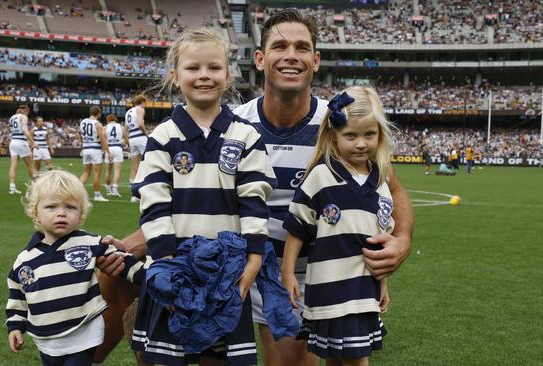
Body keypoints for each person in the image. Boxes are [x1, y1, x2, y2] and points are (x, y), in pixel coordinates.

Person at [97, 9, 413, 365]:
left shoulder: (338, 125)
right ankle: (84, 356)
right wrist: (133, 246)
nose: (291, 55)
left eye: (302, 47)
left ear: (316, 60)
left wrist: (401, 242)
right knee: (113, 272)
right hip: (231, 256)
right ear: (260, 59)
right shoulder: (233, 124)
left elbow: (394, 189)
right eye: (280, 46)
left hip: (304, 273)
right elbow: (195, 199)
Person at [129, 28, 276, 365]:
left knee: (219, 360)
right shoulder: (163, 136)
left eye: (213, 67)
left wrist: (252, 261)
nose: (204, 76)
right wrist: (166, 267)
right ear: (175, 77)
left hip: (227, 273)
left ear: (227, 76)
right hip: (174, 267)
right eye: (193, 68)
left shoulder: (247, 136)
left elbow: (254, 202)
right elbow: (153, 203)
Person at [281, 86, 391, 364]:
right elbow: (297, 228)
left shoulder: (381, 184)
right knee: (345, 358)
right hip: (328, 288)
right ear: (334, 136)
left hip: (363, 290)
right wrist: (288, 272)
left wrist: (384, 284)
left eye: (369, 134)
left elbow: (381, 244)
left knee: (349, 357)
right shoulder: (321, 175)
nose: (361, 143)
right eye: (350, 135)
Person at [5, 169, 144, 366]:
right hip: (45, 339)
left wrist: (150, 277)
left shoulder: (89, 243)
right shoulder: (25, 260)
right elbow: (17, 295)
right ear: (35, 214)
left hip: (83, 334)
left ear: (81, 215)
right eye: (51, 207)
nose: (61, 212)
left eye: (70, 207)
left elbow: (122, 261)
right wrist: (15, 326)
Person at [78, 106, 110, 202]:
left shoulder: (83, 122)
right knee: (97, 173)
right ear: (99, 114)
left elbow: (79, 134)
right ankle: (97, 195)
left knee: (86, 172)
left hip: (86, 149)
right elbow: (102, 139)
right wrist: (108, 151)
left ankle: (76, 192)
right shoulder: (97, 124)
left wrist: (83, 142)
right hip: (95, 149)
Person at [8, 105, 36, 194]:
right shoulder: (23, 117)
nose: (28, 113)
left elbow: (11, 131)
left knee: (13, 165)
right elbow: (24, 130)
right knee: (31, 165)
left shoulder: (12, 117)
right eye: (28, 112)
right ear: (25, 111)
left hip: (13, 142)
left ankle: (12, 187)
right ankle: (35, 186)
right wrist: (32, 142)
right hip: (21, 142)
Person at [126, 94, 149, 202]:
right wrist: (147, 134)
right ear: (142, 101)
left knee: (135, 166)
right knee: (149, 162)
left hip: (131, 138)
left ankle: (134, 195)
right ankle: (147, 190)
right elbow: (140, 123)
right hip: (140, 137)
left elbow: (125, 130)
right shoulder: (140, 109)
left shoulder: (128, 112)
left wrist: (127, 142)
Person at [103, 114, 127, 197]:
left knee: (108, 171)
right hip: (117, 148)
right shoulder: (121, 127)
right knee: (117, 170)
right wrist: (125, 142)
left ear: (107, 120)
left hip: (109, 148)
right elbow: (126, 137)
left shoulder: (105, 127)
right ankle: (115, 189)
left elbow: (103, 139)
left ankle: (108, 190)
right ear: (115, 119)